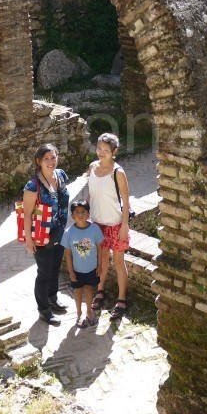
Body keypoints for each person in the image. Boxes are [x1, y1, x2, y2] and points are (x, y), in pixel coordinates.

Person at [22, 143, 70, 327]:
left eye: (53, 157)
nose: (51, 162)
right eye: (46, 159)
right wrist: (28, 239)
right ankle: (44, 310)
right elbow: (27, 214)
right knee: (44, 273)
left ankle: (53, 298)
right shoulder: (33, 186)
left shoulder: (61, 175)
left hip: (59, 231)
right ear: (38, 161)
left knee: (55, 267)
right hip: (41, 235)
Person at [85, 132, 131, 320]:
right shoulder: (92, 167)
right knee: (101, 261)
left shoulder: (117, 172)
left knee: (119, 262)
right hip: (97, 223)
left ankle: (121, 299)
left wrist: (124, 226)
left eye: (106, 150)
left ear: (114, 152)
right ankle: (100, 291)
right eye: (99, 148)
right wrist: (85, 215)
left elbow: (127, 201)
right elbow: (90, 193)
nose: (101, 153)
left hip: (115, 223)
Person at [61, 200, 104, 329]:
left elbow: (100, 248)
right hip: (77, 269)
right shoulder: (69, 233)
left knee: (89, 289)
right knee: (78, 290)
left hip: (91, 268)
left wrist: (99, 265)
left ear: (88, 214)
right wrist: (71, 272)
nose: (80, 215)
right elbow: (68, 254)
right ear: (72, 216)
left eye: (83, 212)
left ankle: (89, 311)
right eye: (77, 212)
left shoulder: (95, 229)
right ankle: (79, 313)